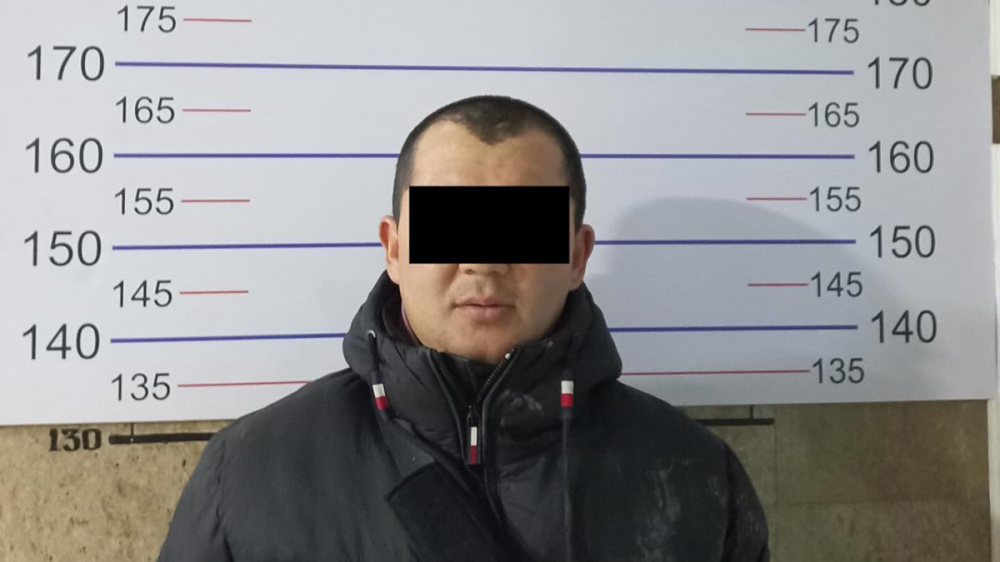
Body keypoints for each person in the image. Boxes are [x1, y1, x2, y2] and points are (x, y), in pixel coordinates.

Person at [157, 95, 770, 562]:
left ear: (577, 256)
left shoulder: (693, 475)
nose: (484, 261)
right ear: (394, 248)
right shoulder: (250, 472)